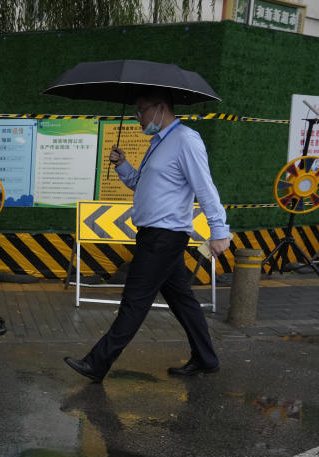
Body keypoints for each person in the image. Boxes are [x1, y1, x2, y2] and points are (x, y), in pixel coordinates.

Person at [64, 87, 232, 383]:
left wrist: (219, 231)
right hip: (154, 235)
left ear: (160, 108)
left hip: (163, 237)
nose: (137, 118)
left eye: (140, 111)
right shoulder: (158, 143)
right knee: (183, 301)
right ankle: (206, 358)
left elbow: (205, 188)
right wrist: (122, 165)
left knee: (134, 301)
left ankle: (97, 363)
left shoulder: (185, 140)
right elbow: (142, 186)